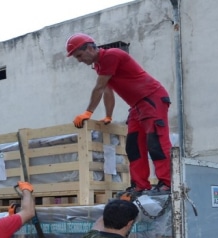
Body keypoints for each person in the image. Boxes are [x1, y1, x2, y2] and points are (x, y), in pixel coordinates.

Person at [66, 33, 172, 197]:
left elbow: (100, 88)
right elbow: (108, 92)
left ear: (89, 48)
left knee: (155, 140)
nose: (80, 60)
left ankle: (167, 183)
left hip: (152, 98)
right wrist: (109, 115)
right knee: (133, 145)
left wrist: (88, 112)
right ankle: (140, 185)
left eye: (79, 56)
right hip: (137, 106)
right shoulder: (100, 66)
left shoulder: (112, 55)